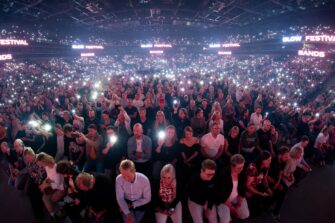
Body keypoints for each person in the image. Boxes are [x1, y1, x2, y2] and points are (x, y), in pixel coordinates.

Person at [216, 154, 249, 223]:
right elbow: (222, 195)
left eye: (242, 167)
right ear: (232, 166)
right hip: (223, 199)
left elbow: (242, 190)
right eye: (239, 168)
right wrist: (232, 208)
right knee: (225, 220)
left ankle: (231, 213)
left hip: (236, 196)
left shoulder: (243, 173)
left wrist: (238, 205)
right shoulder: (223, 174)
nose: (241, 169)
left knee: (245, 215)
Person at [36, 152, 66, 218]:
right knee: (43, 195)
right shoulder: (47, 166)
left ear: (44, 161)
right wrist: (44, 183)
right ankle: (54, 213)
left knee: (48, 199)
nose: (41, 167)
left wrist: (46, 185)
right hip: (53, 185)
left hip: (60, 188)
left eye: (41, 165)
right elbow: (48, 177)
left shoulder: (55, 169)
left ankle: (54, 213)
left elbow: (57, 184)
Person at [187, 159, 218, 223]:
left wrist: (209, 208)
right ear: (202, 171)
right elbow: (187, 196)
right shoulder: (193, 180)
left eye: (213, 174)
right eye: (208, 174)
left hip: (207, 201)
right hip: (195, 202)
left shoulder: (214, 178)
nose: (211, 176)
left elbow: (213, 194)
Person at [245, 151, 273, 218]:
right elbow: (248, 185)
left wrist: (267, 188)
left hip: (257, 186)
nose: (270, 162)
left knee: (270, 194)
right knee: (252, 211)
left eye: (270, 160)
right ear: (262, 160)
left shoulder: (266, 166)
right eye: (268, 160)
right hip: (248, 189)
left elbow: (264, 178)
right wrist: (259, 193)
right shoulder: (252, 168)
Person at [268, 147, 290, 223]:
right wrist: (275, 183)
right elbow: (267, 176)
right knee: (280, 192)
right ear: (280, 155)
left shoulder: (283, 162)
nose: (287, 158)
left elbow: (280, 173)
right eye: (286, 156)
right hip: (268, 180)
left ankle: (275, 211)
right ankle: (272, 209)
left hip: (275, 180)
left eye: (288, 156)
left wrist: (278, 182)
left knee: (285, 188)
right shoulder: (272, 160)